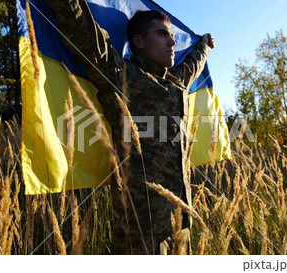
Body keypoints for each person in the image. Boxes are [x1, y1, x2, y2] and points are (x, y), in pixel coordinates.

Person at [44, 0, 215, 254]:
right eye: (162, 34)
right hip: (141, 230)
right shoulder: (121, 76)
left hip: (181, 223)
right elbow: (84, 33)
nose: (172, 42)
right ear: (138, 41)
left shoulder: (176, 85)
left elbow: (192, 65)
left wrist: (204, 47)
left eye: (172, 36)